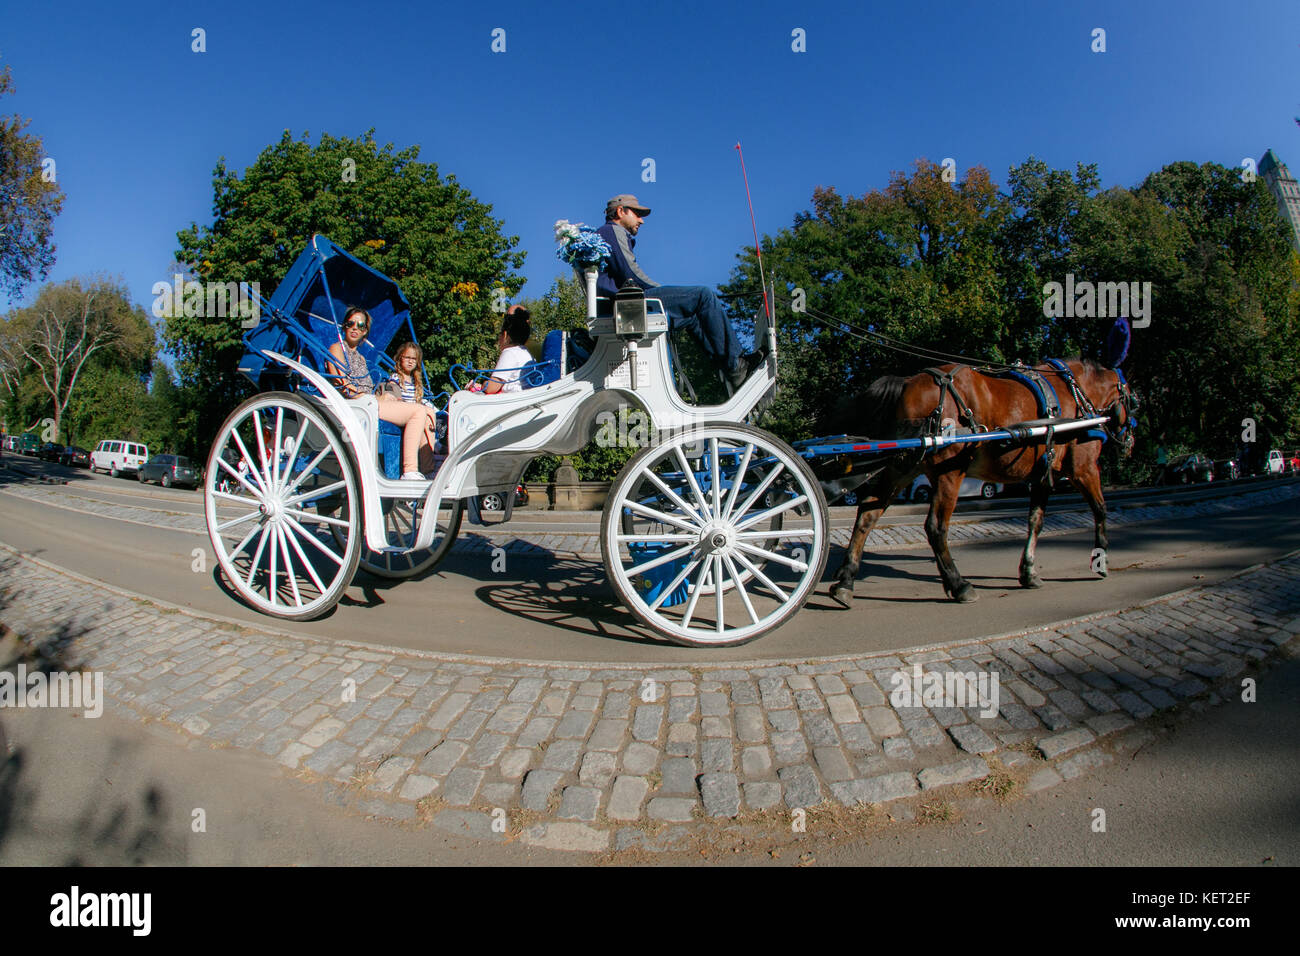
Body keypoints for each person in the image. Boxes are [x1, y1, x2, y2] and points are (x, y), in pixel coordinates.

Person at [596, 193, 765, 390]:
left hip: (624, 303)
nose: (641, 220)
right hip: (628, 305)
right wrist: (661, 291)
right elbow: (630, 273)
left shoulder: (610, 234)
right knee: (703, 296)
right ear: (620, 211)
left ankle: (728, 369)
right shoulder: (612, 231)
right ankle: (736, 365)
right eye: (637, 213)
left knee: (692, 317)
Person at [325, 307, 437, 480]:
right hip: (359, 402)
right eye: (350, 323)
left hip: (371, 401)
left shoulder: (361, 358)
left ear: (365, 331)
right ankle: (409, 470)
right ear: (344, 326)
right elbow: (343, 385)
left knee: (427, 412)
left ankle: (428, 469)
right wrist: (376, 398)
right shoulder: (337, 348)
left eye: (361, 326)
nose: (355, 328)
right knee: (418, 410)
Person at [481, 306, 533, 394]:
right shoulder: (526, 353)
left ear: (505, 335)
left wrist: (483, 384)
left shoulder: (510, 353)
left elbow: (491, 388)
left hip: (511, 399)